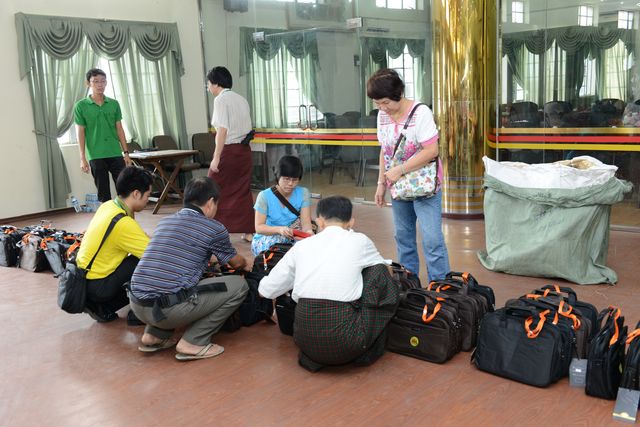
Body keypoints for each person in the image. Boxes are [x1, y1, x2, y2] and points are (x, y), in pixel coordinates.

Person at [258, 196, 399, 371]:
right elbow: (386, 272)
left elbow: (267, 290)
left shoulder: (301, 246)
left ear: (319, 222)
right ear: (351, 222)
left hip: (305, 340)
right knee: (378, 270)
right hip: (348, 344)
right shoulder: (360, 241)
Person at [129, 177, 250, 361]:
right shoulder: (214, 228)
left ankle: (153, 335)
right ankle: (194, 341)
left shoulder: (165, 222)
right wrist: (246, 261)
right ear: (210, 203)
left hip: (137, 305)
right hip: (168, 312)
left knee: (168, 282)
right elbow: (236, 263)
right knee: (239, 286)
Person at [367, 68, 450, 283]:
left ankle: (440, 287)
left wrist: (400, 170)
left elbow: (432, 150)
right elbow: (386, 150)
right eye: (377, 103)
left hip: (424, 186)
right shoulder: (382, 116)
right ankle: (409, 284)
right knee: (403, 238)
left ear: (399, 94)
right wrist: (381, 183)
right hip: (398, 186)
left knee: (432, 240)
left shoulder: (420, 113)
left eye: (386, 102)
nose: (382, 108)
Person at [76, 166, 153, 323]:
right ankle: (141, 309)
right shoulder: (123, 223)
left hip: (83, 279)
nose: (148, 200)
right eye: (148, 195)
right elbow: (155, 255)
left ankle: (103, 306)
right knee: (147, 262)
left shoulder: (109, 205)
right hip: (98, 286)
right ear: (136, 194)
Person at [206, 66, 255, 241]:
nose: (208, 87)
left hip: (229, 152)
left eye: (208, 84)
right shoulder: (241, 99)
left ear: (216, 84)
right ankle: (248, 231)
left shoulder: (220, 100)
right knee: (242, 190)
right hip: (244, 151)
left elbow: (222, 130)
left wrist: (216, 157)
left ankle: (211, 230)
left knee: (209, 188)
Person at [74, 68, 132, 202]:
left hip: (115, 152)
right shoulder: (80, 106)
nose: (100, 85)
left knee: (124, 190)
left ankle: (126, 214)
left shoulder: (114, 104)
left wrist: (126, 153)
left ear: (106, 83)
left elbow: (119, 129)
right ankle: (108, 215)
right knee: (103, 193)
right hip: (96, 154)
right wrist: (82, 157)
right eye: (95, 81)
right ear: (88, 83)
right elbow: (80, 133)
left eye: (103, 81)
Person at [251, 155, 313, 255]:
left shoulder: (303, 193)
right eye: (286, 179)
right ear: (277, 176)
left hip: (291, 236)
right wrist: (279, 230)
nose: (290, 183)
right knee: (277, 249)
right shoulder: (264, 196)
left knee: (306, 248)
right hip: (266, 238)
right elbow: (259, 228)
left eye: (295, 180)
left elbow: (306, 224)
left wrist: (308, 234)